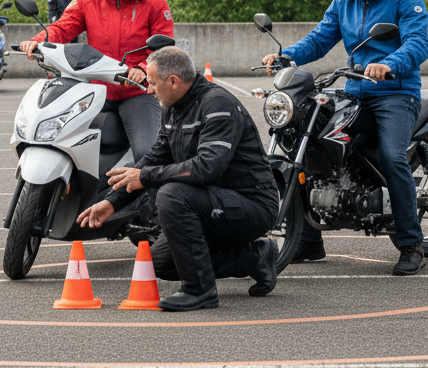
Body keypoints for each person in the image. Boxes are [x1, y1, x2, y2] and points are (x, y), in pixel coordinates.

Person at [262, 0, 428, 276]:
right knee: (309, 138)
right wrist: (287, 57)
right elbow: (320, 38)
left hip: (395, 95)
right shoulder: (343, 2)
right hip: (355, 91)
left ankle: (411, 243)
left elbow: (418, 44)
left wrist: (390, 65)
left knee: (392, 155)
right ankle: (309, 240)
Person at [77, 46, 280, 310]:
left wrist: (146, 177)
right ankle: (253, 257)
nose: (148, 90)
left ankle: (200, 291)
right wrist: (113, 202)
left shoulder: (217, 104)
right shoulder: (172, 106)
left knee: (172, 193)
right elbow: (154, 158)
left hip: (250, 205)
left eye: (152, 83)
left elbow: (207, 168)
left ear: (173, 81)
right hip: (211, 202)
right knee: (160, 264)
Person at [19, 0, 172, 164]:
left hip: (137, 93)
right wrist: (38, 42)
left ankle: (153, 200)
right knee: (61, 141)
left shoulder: (155, 4)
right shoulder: (86, 1)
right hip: (96, 91)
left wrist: (142, 67)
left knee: (148, 155)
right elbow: (62, 27)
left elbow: (165, 48)